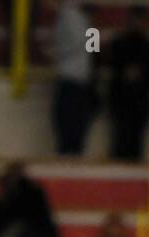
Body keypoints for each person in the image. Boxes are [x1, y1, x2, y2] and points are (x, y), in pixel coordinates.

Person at [105, 5, 149, 161]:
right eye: (134, 19)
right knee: (120, 142)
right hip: (121, 101)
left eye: (140, 20)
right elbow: (113, 65)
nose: (137, 23)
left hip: (140, 102)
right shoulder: (118, 44)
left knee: (136, 144)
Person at [50, 0, 98, 156]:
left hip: (71, 81)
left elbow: (67, 48)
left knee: (67, 131)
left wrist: (54, 53)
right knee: (75, 133)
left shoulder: (69, 16)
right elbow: (92, 53)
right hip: (81, 82)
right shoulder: (85, 22)